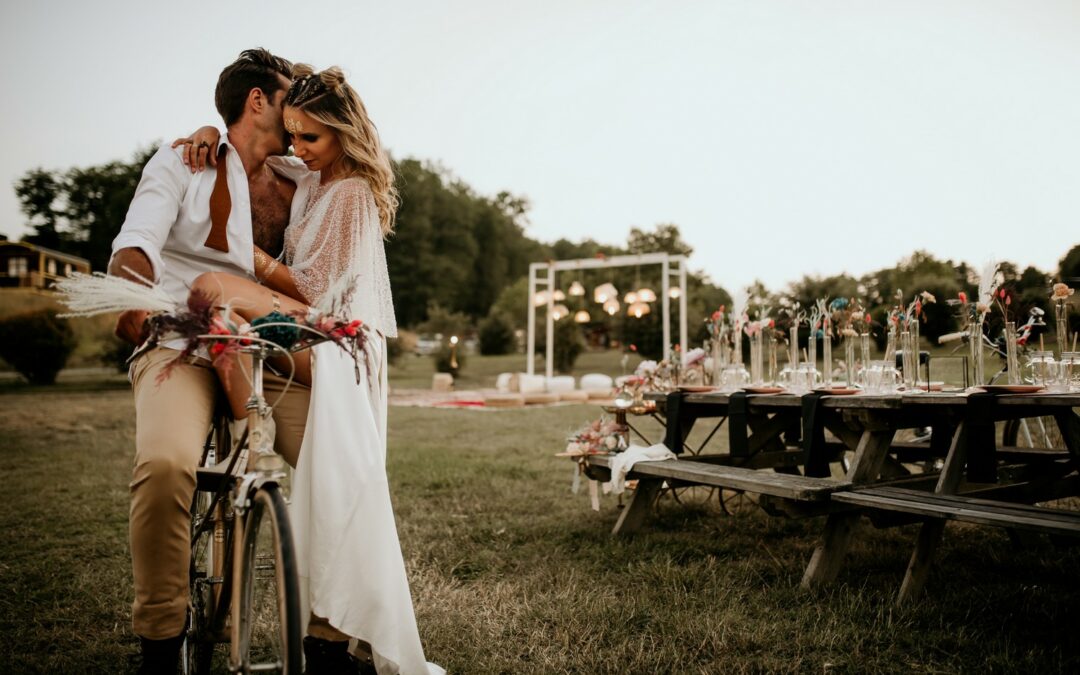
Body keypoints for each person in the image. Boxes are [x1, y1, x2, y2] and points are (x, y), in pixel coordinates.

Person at [181, 64, 442, 675]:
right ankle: (325, 639)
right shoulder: (313, 175)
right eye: (293, 135)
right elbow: (250, 143)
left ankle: (250, 417)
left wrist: (253, 260)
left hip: (342, 339)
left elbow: (317, 287)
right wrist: (203, 129)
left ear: (343, 135)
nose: (296, 148)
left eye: (309, 138)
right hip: (310, 332)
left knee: (214, 284)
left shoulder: (349, 192)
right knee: (335, 485)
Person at [107, 48, 314, 674]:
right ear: (259, 101)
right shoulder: (181, 161)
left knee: (340, 457)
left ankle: (334, 631)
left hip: (273, 340)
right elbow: (135, 244)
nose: (299, 108)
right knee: (167, 463)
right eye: (288, 96)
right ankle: (161, 642)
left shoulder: (302, 177)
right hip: (183, 339)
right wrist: (131, 300)